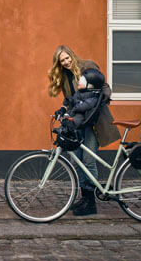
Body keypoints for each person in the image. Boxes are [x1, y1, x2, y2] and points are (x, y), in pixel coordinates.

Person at [47, 45, 120, 216]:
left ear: (71, 55)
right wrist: (63, 110)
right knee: (76, 161)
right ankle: (85, 197)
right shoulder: (65, 76)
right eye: (61, 60)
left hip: (94, 121)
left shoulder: (87, 67)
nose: (65, 62)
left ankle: (91, 202)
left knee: (87, 160)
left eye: (67, 58)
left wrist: (96, 103)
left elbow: (104, 87)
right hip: (78, 123)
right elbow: (70, 99)